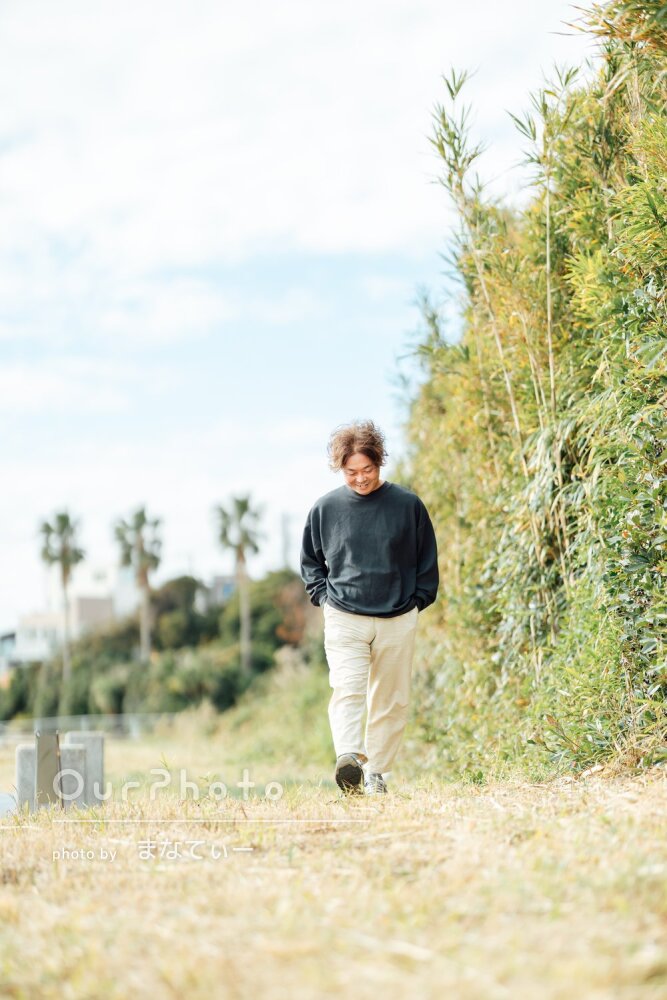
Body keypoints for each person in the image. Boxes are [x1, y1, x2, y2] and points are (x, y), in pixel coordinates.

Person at [300, 420, 439, 795]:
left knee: (391, 699)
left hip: (397, 618)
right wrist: (324, 598)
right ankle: (349, 758)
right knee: (347, 688)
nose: (360, 478)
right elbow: (311, 563)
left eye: (367, 469)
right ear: (339, 468)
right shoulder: (325, 509)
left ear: (379, 462)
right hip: (345, 617)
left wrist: (416, 602)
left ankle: (377, 773)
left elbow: (426, 561)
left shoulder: (407, 506)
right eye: (351, 472)